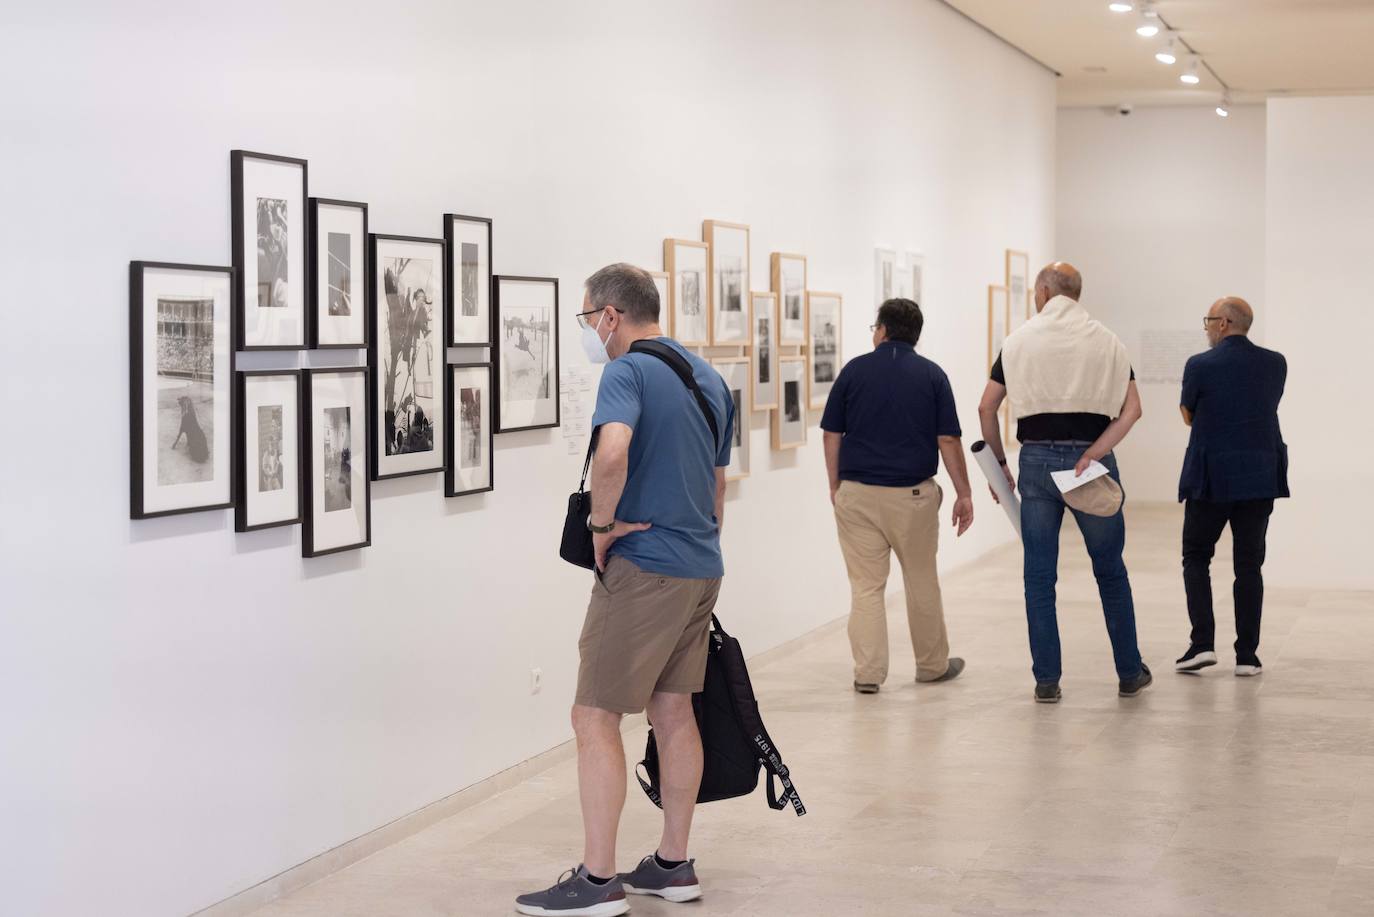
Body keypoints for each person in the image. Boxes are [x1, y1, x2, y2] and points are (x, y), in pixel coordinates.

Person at [515, 263, 734, 917]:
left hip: (645, 567)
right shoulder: (710, 377)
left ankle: (598, 879)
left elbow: (612, 454)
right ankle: (672, 864)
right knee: (673, 711)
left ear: (610, 315)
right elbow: (719, 486)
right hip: (701, 565)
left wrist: (603, 527)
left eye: (587, 319)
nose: (589, 332)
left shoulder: (626, 371)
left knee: (593, 716)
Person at [977, 262, 1152, 704]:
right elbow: (1132, 410)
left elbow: (986, 408)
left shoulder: (1017, 341)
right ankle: (1130, 673)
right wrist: (1096, 450)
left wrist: (999, 464)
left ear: (1042, 291)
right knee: (1110, 571)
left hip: (1036, 464)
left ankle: (1047, 681)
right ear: (1077, 293)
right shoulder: (1107, 340)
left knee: (1039, 576)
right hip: (1089, 464)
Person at [819, 298, 974, 694]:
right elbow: (948, 439)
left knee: (867, 586)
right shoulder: (932, 376)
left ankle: (868, 673)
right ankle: (932, 665)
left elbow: (831, 433)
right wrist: (963, 493)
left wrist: (835, 484)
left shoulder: (854, 371)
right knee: (921, 578)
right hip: (913, 496)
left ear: (883, 329)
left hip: (857, 494)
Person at [1175, 297, 1287, 677]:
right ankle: (1247, 656)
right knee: (1249, 565)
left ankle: (1202, 644)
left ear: (1223, 324)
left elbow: (1188, 415)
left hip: (1211, 478)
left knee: (1196, 556)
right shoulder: (1276, 363)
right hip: (1259, 476)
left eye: (1208, 320)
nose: (1206, 327)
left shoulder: (1199, 365)